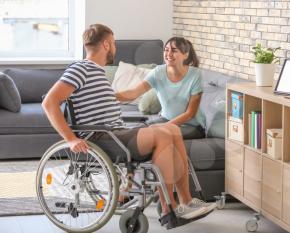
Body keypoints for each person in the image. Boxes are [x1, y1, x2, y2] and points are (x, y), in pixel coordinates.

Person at [42, 24, 214, 228]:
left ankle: (185, 202)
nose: (114, 48)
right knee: (164, 134)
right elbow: (49, 102)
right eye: (113, 43)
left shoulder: (96, 72)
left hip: (117, 134)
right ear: (106, 44)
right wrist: (71, 139)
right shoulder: (81, 68)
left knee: (173, 129)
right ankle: (170, 208)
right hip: (105, 138)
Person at [116, 37, 205, 140]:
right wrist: (108, 96)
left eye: (174, 50)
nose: (169, 54)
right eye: (166, 50)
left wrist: (164, 126)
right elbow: (133, 93)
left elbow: (190, 113)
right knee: (135, 133)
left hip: (190, 126)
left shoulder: (196, 75)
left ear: (185, 54)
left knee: (155, 134)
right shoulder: (158, 72)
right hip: (164, 119)